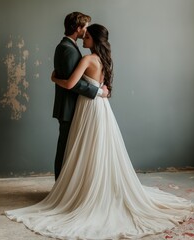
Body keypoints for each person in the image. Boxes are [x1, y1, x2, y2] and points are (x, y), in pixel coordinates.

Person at [5, 24, 194, 239]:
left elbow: (69, 84)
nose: (83, 39)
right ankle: (97, 190)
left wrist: (54, 78)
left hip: (87, 108)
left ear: (94, 39)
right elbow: (103, 89)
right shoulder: (105, 60)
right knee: (100, 148)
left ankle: (86, 192)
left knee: (86, 148)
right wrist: (100, 92)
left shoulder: (87, 60)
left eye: (86, 37)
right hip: (102, 108)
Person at [52, 12, 109, 181]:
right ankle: (61, 188)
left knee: (73, 150)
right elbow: (73, 84)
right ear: (78, 28)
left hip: (79, 106)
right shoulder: (68, 49)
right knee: (65, 149)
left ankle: (70, 187)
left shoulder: (72, 48)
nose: (86, 31)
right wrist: (99, 92)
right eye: (84, 28)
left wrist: (55, 78)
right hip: (69, 107)